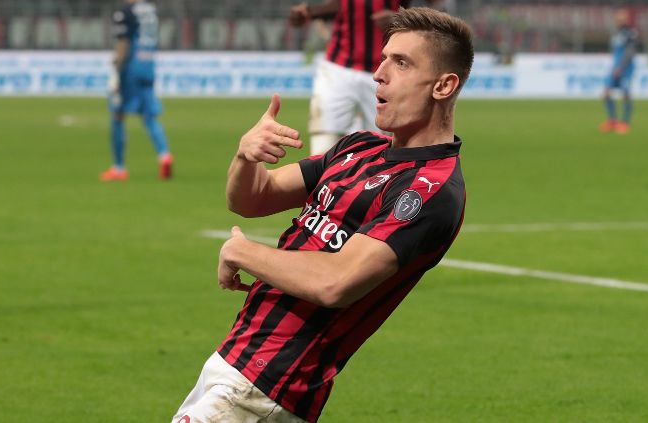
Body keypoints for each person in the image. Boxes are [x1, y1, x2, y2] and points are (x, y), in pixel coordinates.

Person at [171, 7, 473, 423]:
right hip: (237, 359)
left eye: (401, 63)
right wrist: (246, 156)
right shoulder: (359, 147)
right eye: (384, 58)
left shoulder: (430, 189)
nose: (378, 73)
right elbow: (253, 198)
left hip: (269, 384)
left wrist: (242, 252)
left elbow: (336, 282)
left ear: (444, 85)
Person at [289, 0, 439, 155]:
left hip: (384, 72)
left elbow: (435, 5)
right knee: (324, 145)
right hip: (337, 69)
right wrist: (310, 13)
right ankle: (324, 179)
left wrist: (401, 19)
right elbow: (340, 5)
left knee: (380, 149)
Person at [100, 0, 173, 181]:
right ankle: (164, 155)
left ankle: (118, 167)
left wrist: (118, 66)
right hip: (148, 65)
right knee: (149, 117)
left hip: (131, 69)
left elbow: (123, 41)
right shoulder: (150, 9)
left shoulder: (125, 11)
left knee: (117, 114)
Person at [599, 8, 638, 135]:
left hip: (626, 67)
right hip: (615, 66)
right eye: (618, 17)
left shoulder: (631, 33)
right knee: (606, 93)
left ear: (626, 19)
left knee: (626, 94)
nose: (619, 19)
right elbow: (616, 51)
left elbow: (630, 52)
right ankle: (612, 120)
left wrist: (620, 67)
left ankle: (625, 123)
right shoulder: (616, 33)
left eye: (622, 17)